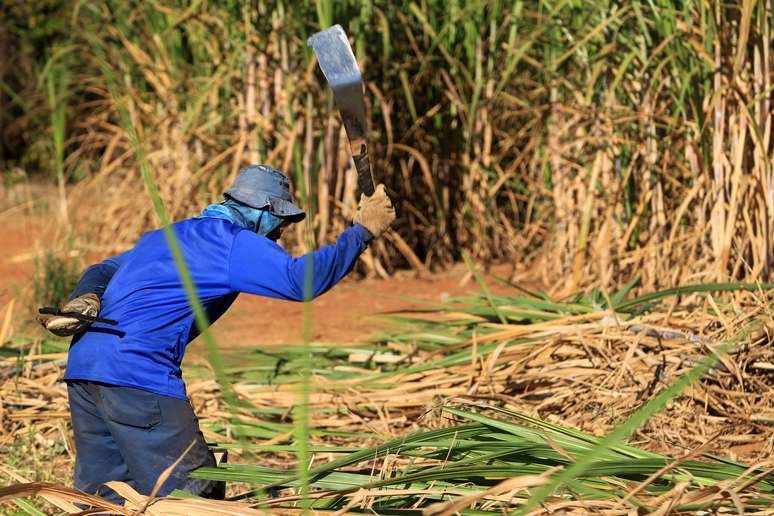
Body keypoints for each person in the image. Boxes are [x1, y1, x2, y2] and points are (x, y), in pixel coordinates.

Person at [37, 164, 396, 503]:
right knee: (193, 496)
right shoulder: (231, 241)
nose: (279, 233)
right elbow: (302, 281)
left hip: (84, 368)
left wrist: (84, 296)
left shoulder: (165, 236)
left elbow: (102, 268)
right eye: (280, 222)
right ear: (262, 210)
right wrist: (362, 232)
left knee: (106, 497)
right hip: (137, 374)